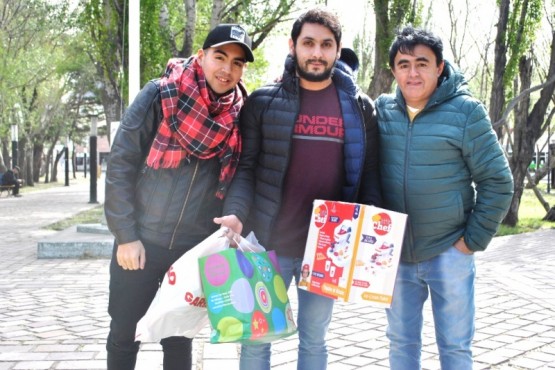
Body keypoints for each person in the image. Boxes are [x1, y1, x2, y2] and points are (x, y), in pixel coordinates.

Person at [215, 8, 381, 370]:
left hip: (326, 251)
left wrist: (367, 232)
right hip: (264, 242)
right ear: (293, 46)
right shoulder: (263, 102)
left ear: (338, 51)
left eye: (326, 45)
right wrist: (238, 213)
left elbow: (368, 174)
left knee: (315, 340)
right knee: (256, 340)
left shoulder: (359, 108)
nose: (317, 53)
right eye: (308, 43)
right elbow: (246, 167)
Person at [103, 23, 254, 370]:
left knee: (179, 338)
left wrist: (233, 218)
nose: (227, 69)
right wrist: (126, 236)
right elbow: (121, 164)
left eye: (237, 63)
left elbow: (241, 177)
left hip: (193, 249)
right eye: (220, 57)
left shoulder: (242, 114)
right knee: (125, 332)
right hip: (141, 243)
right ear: (201, 56)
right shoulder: (160, 95)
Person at [374, 25, 514, 369]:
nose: (413, 72)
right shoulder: (381, 111)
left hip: (449, 252)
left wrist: (470, 242)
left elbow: (498, 181)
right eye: (404, 64)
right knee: (401, 346)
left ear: (439, 67)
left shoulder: (466, 112)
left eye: (423, 63)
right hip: (395, 257)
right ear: (394, 71)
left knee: (454, 348)